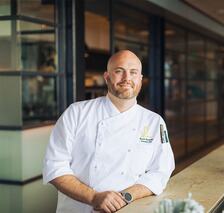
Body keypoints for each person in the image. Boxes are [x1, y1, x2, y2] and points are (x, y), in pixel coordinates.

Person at [43, 50, 175, 213]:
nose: (127, 78)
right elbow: (55, 166)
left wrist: (125, 197)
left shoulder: (154, 122)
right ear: (107, 77)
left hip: (128, 209)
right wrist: (93, 198)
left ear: (140, 79)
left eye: (133, 72)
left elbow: (161, 171)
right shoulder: (76, 113)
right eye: (119, 71)